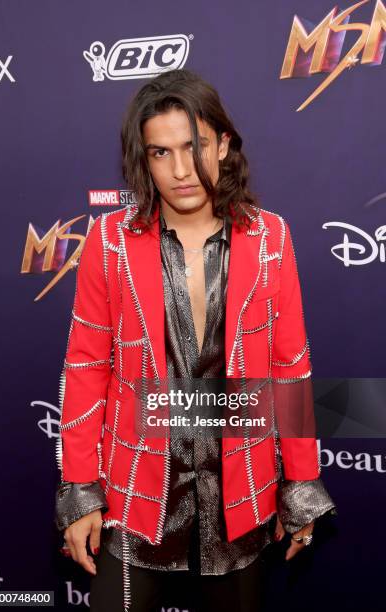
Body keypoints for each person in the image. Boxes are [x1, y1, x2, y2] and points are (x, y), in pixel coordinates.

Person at [54, 69, 336, 612]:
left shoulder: (270, 237)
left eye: (195, 147)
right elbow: (86, 368)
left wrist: (300, 483)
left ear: (224, 145)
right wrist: (80, 487)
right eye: (161, 153)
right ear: (144, 159)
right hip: (134, 498)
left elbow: (290, 370)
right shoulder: (109, 241)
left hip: (240, 497)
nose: (181, 170)